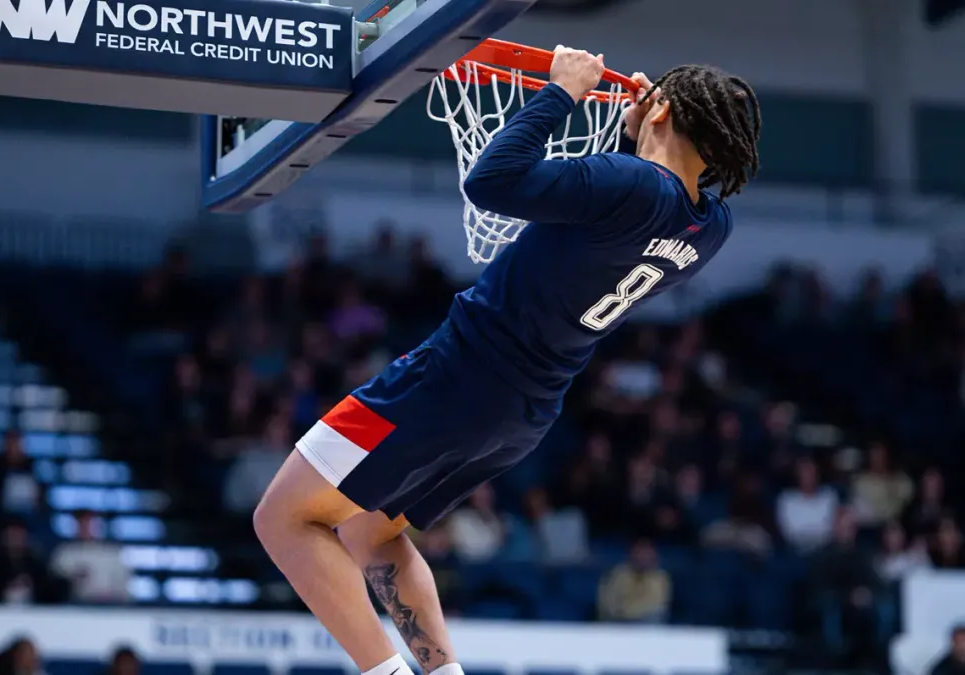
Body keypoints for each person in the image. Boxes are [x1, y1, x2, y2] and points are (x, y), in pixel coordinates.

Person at [254, 46, 761, 675]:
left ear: (659, 109)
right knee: (369, 533)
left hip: (458, 377)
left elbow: (489, 181)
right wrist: (647, 125)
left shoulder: (628, 186)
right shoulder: (710, 228)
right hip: (523, 413)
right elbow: (646, 199)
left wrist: (561, 94)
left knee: (282, 518)